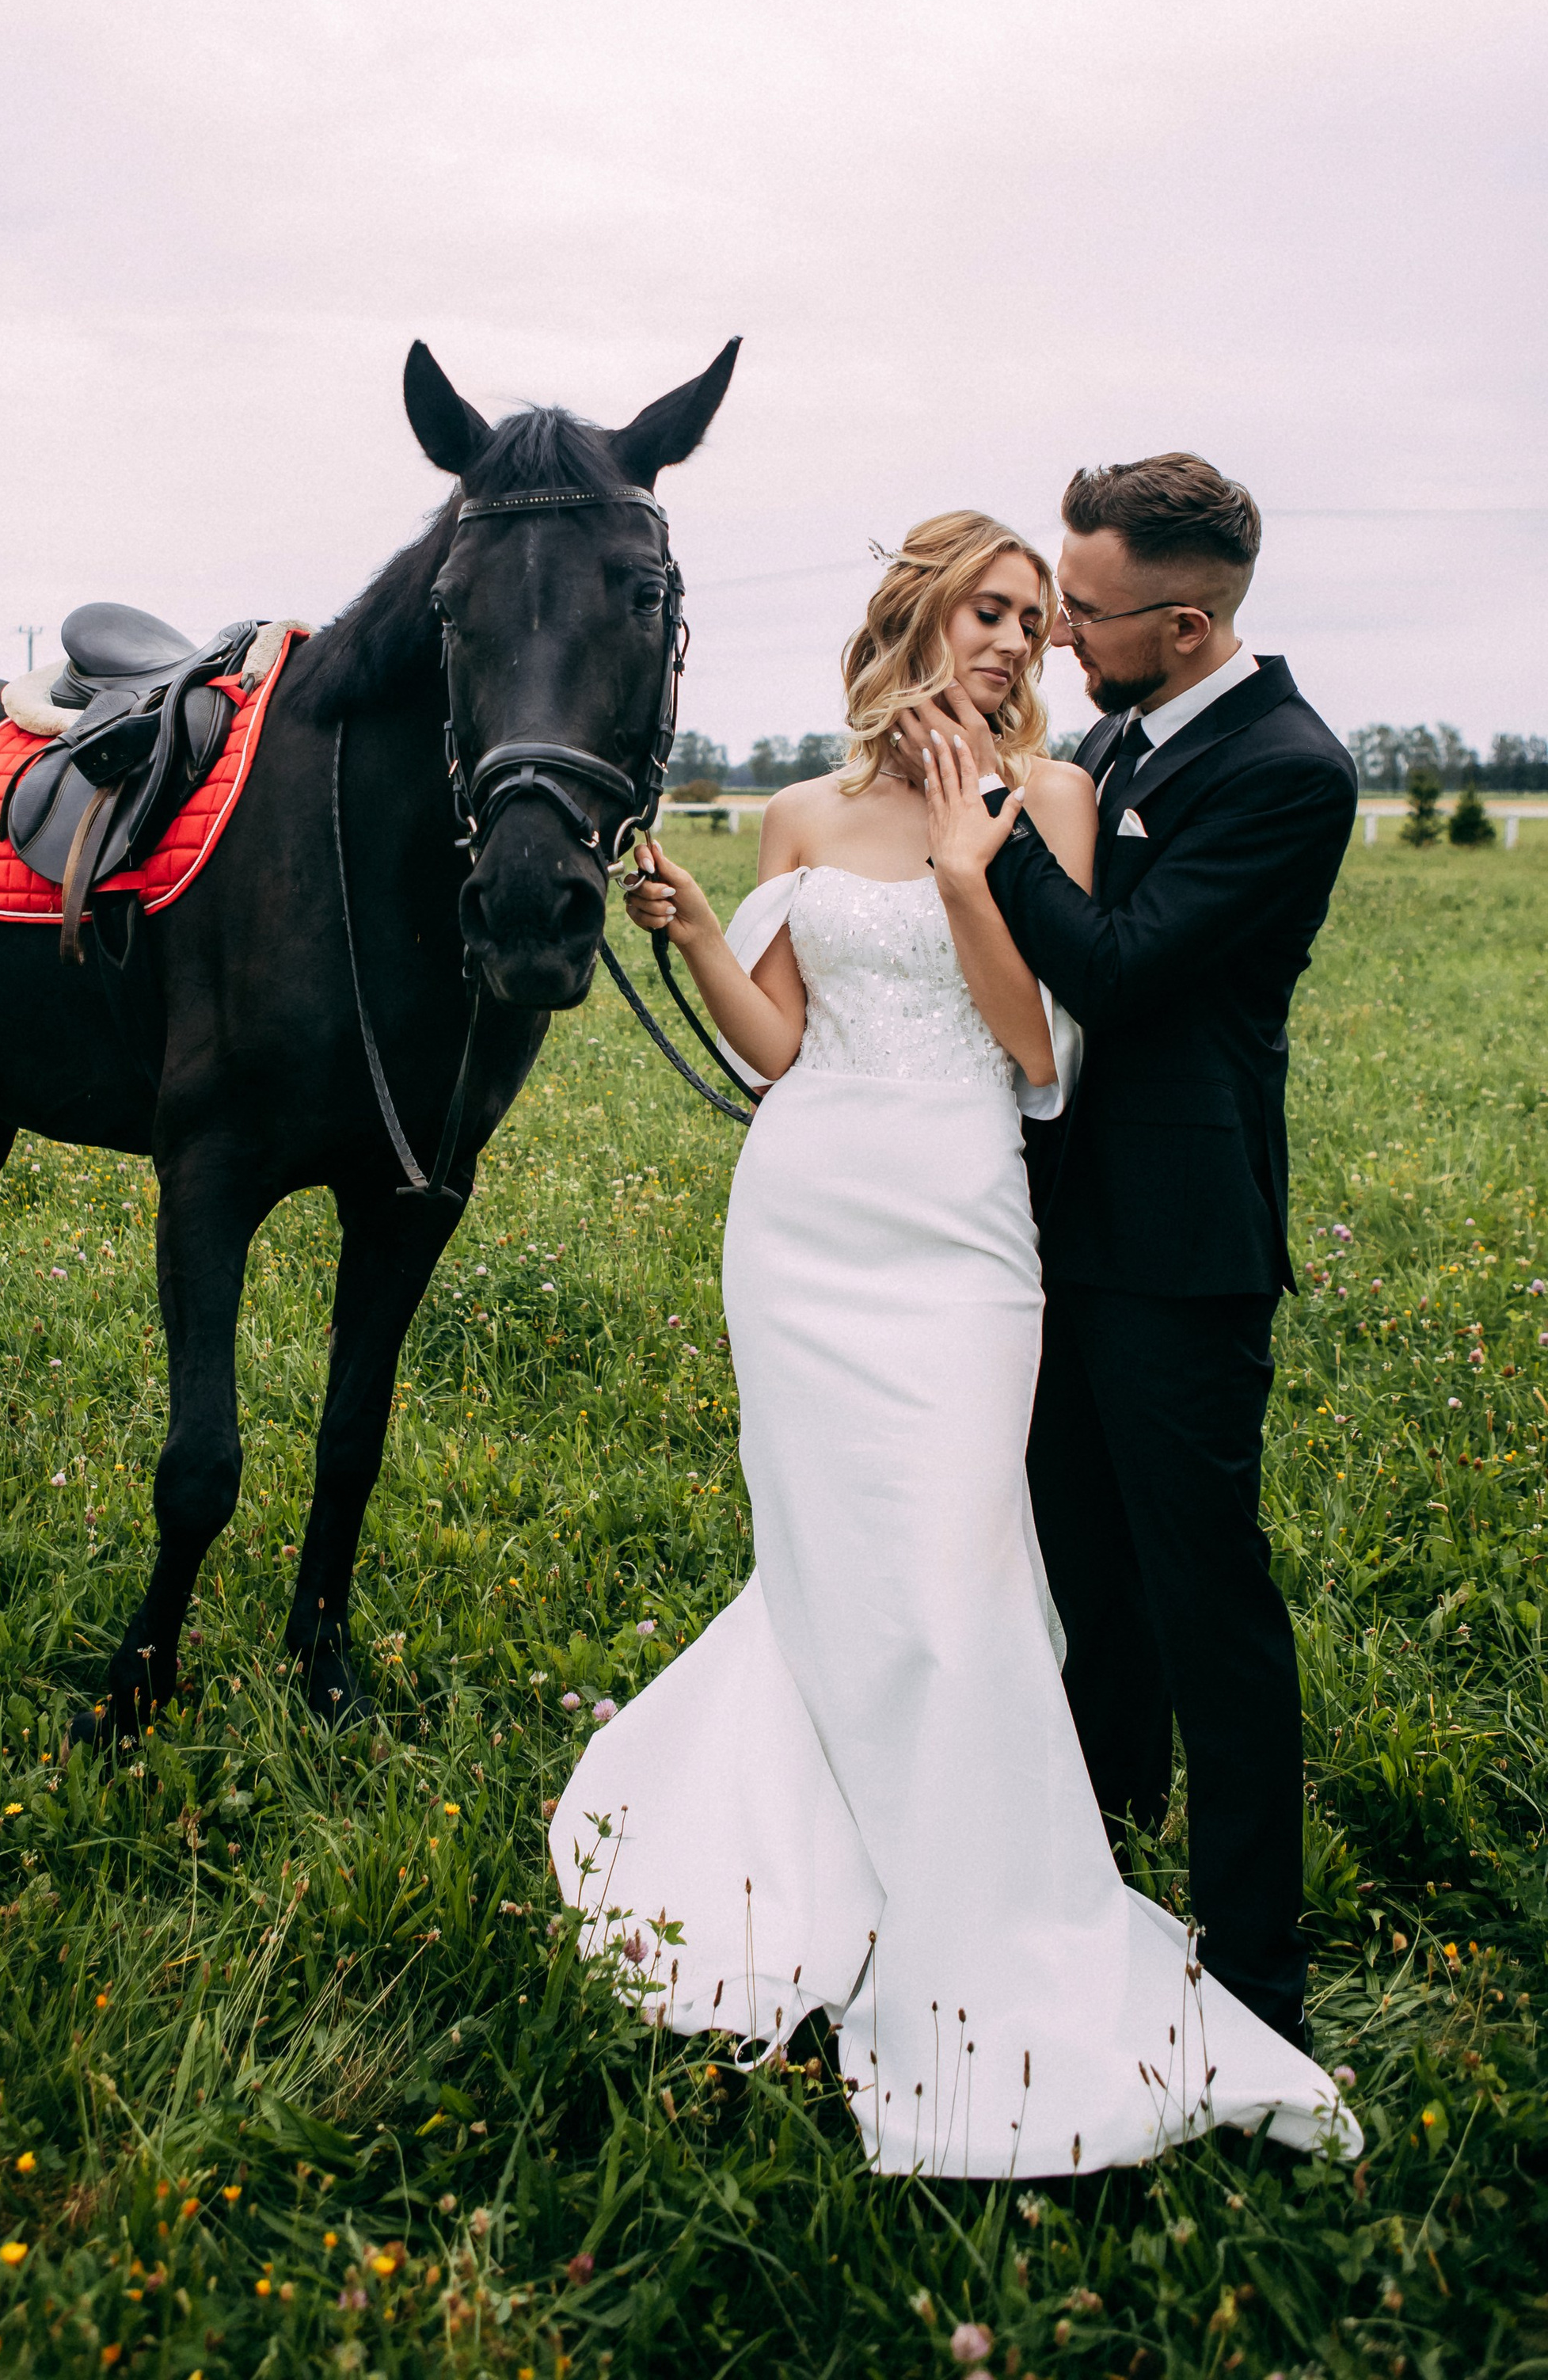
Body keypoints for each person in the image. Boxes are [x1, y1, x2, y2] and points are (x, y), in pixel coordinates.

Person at [546, 506, 1357, 2178]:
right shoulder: (793, 811)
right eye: (985, 610)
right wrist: (700, 932)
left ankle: (987, 1892)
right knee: (825, 1559)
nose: (1013, 641)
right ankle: (812, 1875)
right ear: (913, 618)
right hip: (802, 1221)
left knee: (948, 1562)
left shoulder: (1042, 801)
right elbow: (779, 1047)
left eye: (1035, 616)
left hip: (962, 1229)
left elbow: (1035, 1048)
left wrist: (965, 855)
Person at [892, 454, 1357, 2053]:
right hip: (1052, 1230)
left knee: (1201, 1590)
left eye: (1081, 614)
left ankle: (1253, 1966)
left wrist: (980, 829)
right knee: (1080, 1571)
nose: (1058, 639)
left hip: (1179, 1242)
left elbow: (1117, 970)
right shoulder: (1105, 738)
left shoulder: (1289, 769)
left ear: (1179, 621)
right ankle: (1098, 1857)